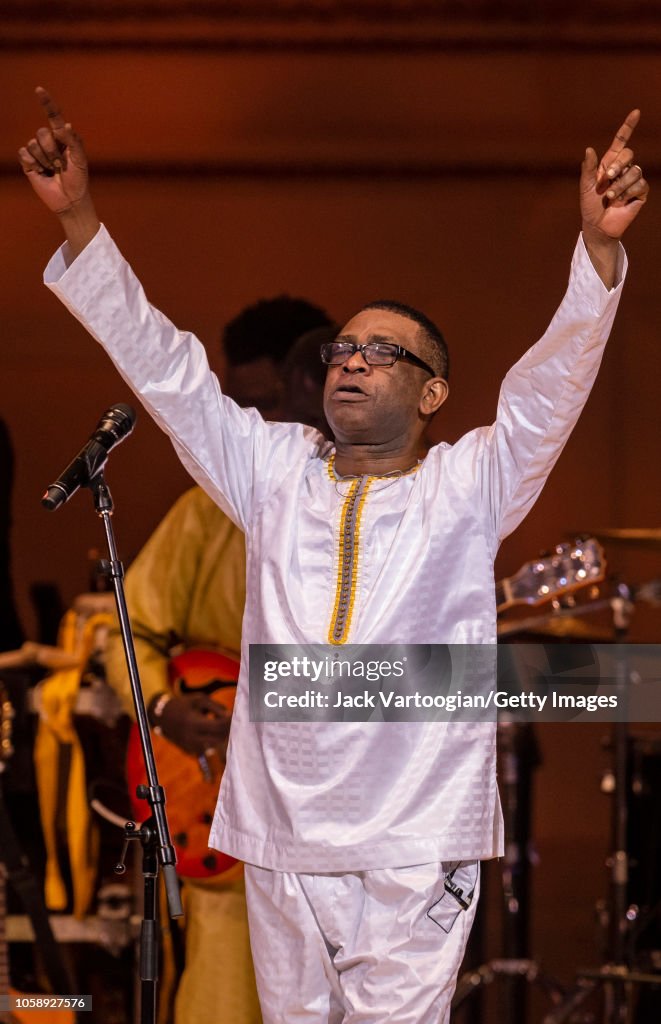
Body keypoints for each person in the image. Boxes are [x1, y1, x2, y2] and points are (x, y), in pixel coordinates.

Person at [20, 90, 648, 1023]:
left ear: (433, 391)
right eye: (344, 349)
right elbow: (165, 370)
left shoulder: (467, 485)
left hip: (410, 839)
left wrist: (596, 250)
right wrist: (79, 218)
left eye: (381, 352)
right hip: (278, 833)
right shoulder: (271, 470)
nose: (350, 361)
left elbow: (544, 392)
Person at [103, 319, 335, 1024]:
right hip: (223, 814)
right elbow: (127, 624)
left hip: (337, 827)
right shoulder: (207, 511)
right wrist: (162, 705)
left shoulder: (400, 508)